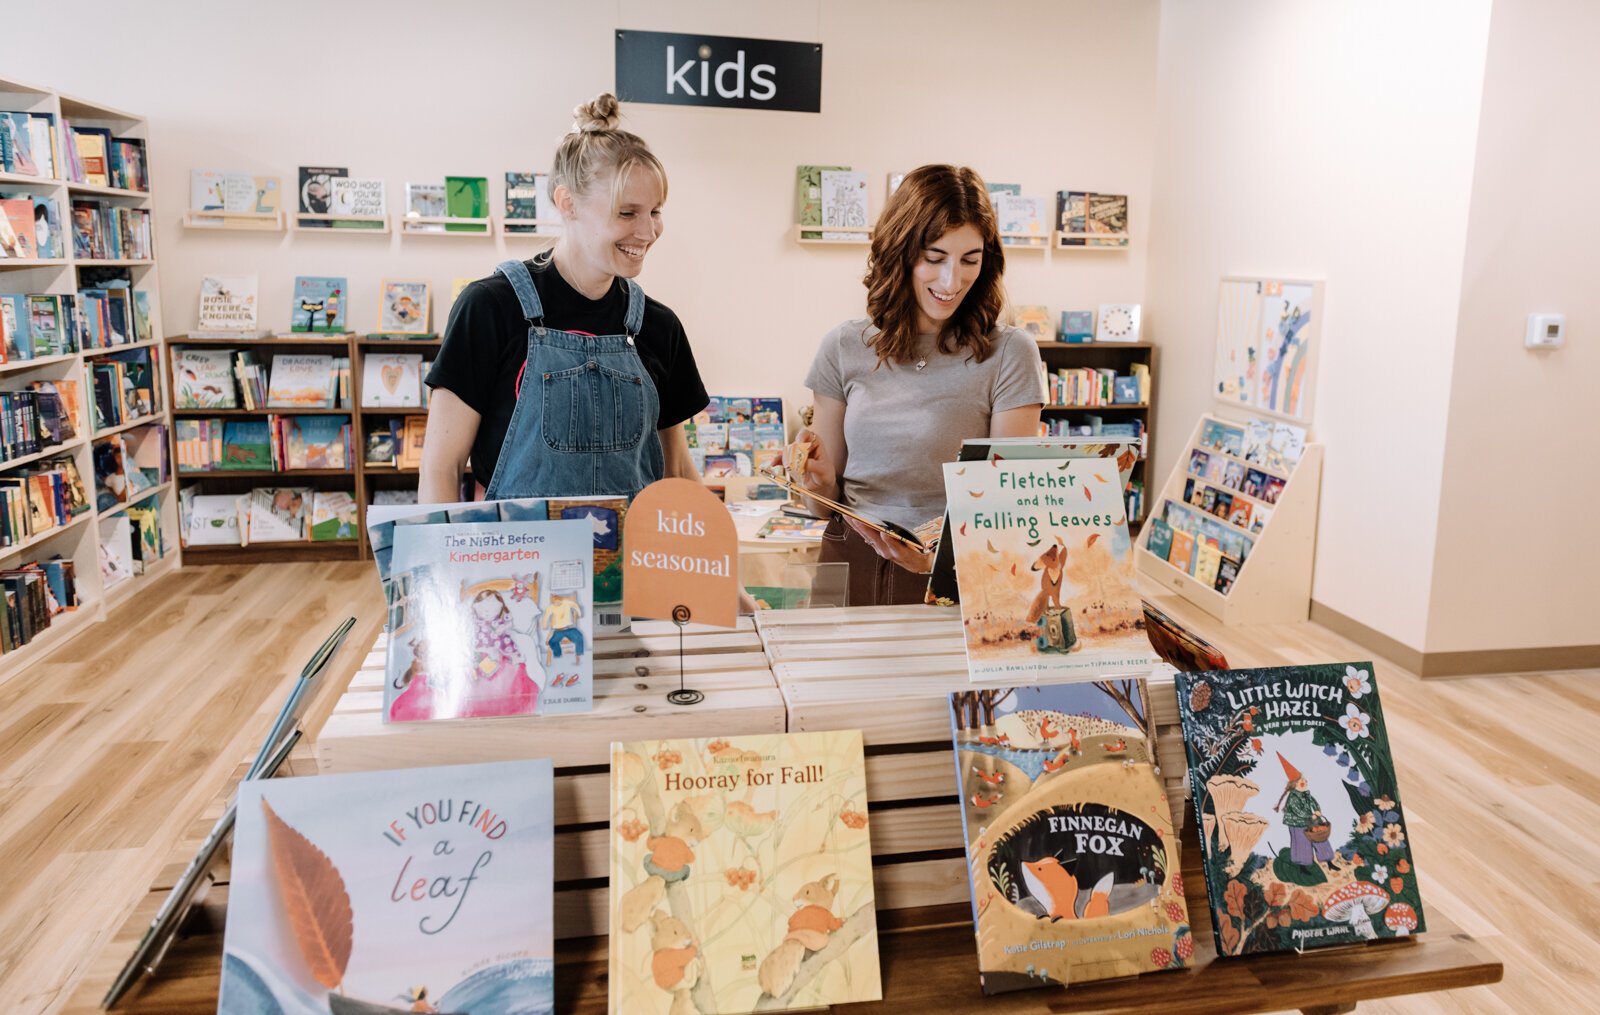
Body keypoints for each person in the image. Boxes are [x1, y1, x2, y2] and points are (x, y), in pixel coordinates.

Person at [421, 93, 707, 503]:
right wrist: (442, 560)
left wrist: (714, 549)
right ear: (566, 202)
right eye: (627, 213)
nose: (648, 232)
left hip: (633, 562)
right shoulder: (490, 308)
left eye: (656, 211)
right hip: (517, 562)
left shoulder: (658, 326)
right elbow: (440, 467)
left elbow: (677, 470)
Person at [786, 165, 1043, 606]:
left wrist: (941, 559)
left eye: (970, 260)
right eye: (935, 257)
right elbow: (821, 506)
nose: (952, 281)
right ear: (900, 251)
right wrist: (817, 481)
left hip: (954, 578)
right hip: (849, 564)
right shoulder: (844, 346)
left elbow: (1010, 509)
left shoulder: (1010, 353)